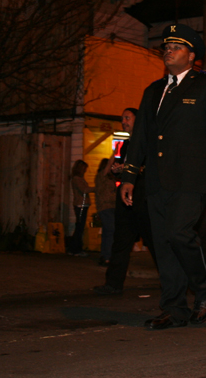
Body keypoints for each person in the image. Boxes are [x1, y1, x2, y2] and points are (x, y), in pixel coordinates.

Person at [121, 23, 206, 330]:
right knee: (163, 243)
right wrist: (130, 176)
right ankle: (174, 308)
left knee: (177, 233)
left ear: (191, 55)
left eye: (175, 47)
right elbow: (141, 138)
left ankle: (205, 287)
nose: (168, 51)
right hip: (158, 181)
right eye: (166, 47)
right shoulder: (153, 91)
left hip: (190, 179)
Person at [94, 108, 157, 296]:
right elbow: (113, 170)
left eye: (127, 118)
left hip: (142, 201)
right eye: (122, 119)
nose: (124, 121)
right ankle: (113, 284)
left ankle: (173, 282)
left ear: (138, 120)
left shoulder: (148, 143)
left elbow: (150, 169)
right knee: (120, 242)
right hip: (124, 202)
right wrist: (116, 168)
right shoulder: (123, 145)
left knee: (155, 242)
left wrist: (131, 169)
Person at [94, 153, 118, 266]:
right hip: (105, 207)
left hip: (111, 206)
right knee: (111, 231)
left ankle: (105, 255)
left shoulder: (109, 178)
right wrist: (115, 152)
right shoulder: (101, 176)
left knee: (107, 232)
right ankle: (107, 256)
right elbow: (109, 164)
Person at [69, 160, 95, 257]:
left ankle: (73, 248)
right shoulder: (77, 179)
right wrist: (95, 188)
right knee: (80, 227)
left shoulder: (78, 179)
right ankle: (76, 249)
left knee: (79, 227)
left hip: (81, 204)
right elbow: (84, 190)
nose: (85, 171)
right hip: (81, 205)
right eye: (84, 168)